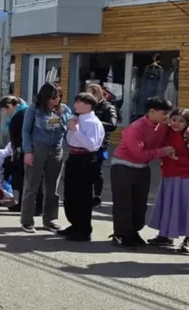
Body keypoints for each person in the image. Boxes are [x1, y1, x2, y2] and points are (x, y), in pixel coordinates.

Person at [110, 96, 177, 248]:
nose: (167, 117)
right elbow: (138, 153)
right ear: (151, 112)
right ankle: (121, 234)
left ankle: (133, 232)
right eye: (164, 113)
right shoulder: (135, 128)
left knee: (140, 204)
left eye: (168, 113)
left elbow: (179, 131)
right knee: (124, 203)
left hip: (142, 167)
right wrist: (163, 151)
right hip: (123, 166)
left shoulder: (162, 126)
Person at [146, 108, 189, 255]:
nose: (176, 123)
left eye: (181, 121)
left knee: (188, 209)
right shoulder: (166, 131)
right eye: (174, 120)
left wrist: (178, 159)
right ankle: (164, 236)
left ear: (187, 123)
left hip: (187, 177)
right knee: (168, 206)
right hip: (169, 176)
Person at [20, 83, 72, 233]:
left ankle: (50, 220)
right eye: (52, 98)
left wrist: (62, 117)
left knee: (52, 187)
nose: (56, 101)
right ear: (45, 97)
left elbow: (69, 128)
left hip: (56, 149)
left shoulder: (64, 109)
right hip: (37, 148)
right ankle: (27, 221)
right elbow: (25, 131)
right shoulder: (34, 109)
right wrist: (27, 151)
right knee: (32, 186)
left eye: (58, 97)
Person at [58, 92, 106, 242]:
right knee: (70, 193)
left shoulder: (93, 122)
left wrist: (76, 131)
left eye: (80, 103)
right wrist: (72, 129)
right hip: (73, 156)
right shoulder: (77, 119)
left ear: (88, 105)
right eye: (76, 102)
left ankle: (84, 229)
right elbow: (70, 139)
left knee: (82, 196)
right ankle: (74, 224)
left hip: (86, 159)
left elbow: (92, 145)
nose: (76, 105)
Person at [85, 84, 117, 207]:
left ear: (97, 94)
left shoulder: (108, 107)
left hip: (101, 144)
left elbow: (112, 125)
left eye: (90, 94)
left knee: (97, 170)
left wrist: (94, 123)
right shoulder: (87, 107)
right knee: (85, 170)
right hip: (85, 142)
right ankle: (86, 194)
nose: (88, 97)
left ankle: (97, 196)